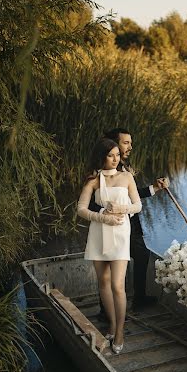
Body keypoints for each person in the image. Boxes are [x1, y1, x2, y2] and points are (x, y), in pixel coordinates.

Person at [90, 127, 169, 311]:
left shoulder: (124, 169)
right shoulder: (99, 172)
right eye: (126, 143)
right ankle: (106, 311)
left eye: (130, 143)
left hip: (130, 223)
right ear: (112, 145)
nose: (130, 147)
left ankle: (138, 298)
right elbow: (89, 204)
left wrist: (154, 188)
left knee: (142, 255)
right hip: (110, 224)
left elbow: (131, 195)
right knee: (108, 266)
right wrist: (106, 213)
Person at [77, 138, 142, 354]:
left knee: (117, 285)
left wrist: (122, 208)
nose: (115, 159)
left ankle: (121, 331)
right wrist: (103, 217)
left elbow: (138, 205)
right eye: (110, 155)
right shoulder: (94, 180)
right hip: (99, 231)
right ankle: (112, 326)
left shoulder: (126, 177)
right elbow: (81, 209)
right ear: (102, 156)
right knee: (103, 282)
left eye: (117, 154)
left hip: (121, 233)